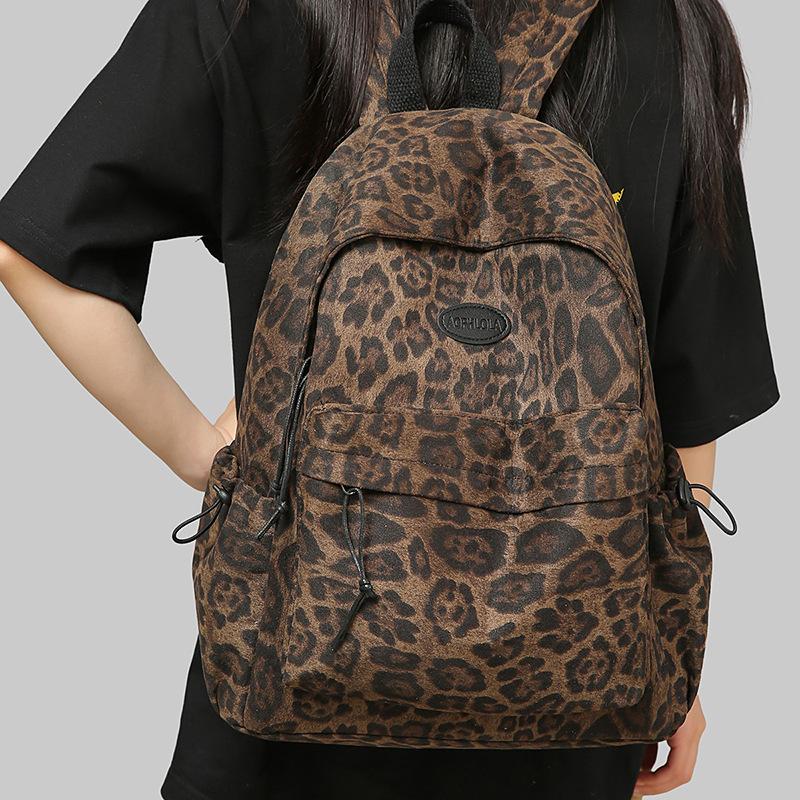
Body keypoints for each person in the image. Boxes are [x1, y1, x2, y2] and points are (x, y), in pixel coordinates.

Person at [0, 0, 779, 798]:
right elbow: (684, 397)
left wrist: (209, 457)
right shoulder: (666, 24)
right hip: (570, 698)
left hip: (287, 679)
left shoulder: (250, 10)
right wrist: (667, 649)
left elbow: (37, 247)